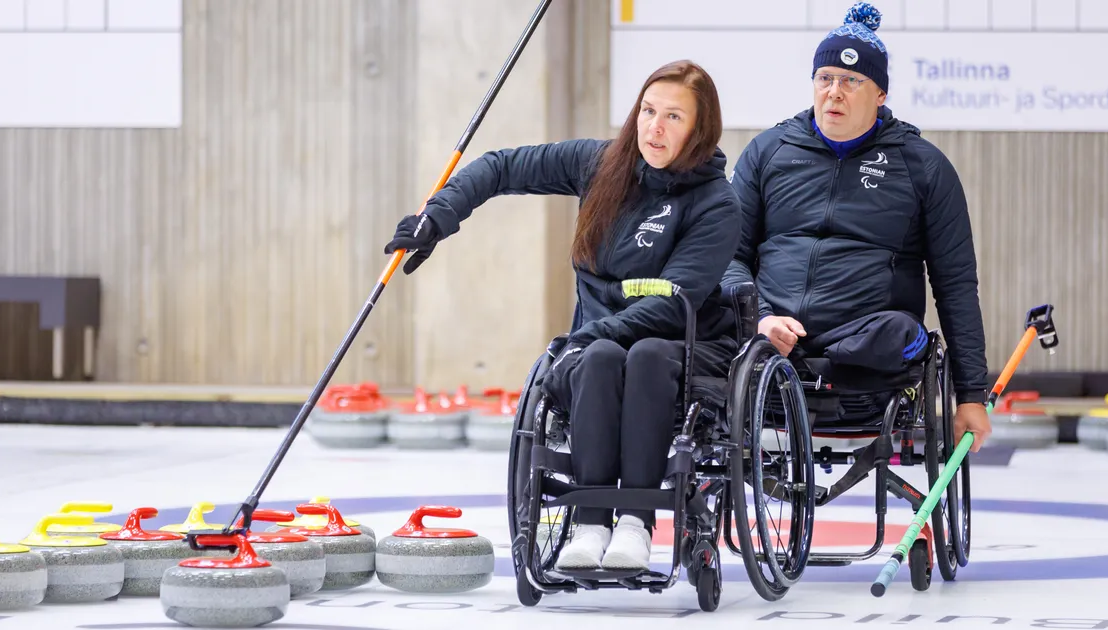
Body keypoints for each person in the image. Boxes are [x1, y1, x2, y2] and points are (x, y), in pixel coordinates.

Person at [383, 60, 742, 571]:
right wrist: (438, 216)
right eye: (648, 111)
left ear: (701, 129)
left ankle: (636, 526)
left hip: (676, 343)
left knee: (640, 354)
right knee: (598, 358)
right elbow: (502, 167)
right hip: (595, 347)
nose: (655, 128)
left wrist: (588, 334)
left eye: (674, 118)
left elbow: (670, 303)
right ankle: (592, 523)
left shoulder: (716, 204)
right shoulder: (600, 164)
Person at [721, 2, 992, 451]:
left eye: (851, 81)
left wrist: (971, 395)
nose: (835, 92)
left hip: (868, 347)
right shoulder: (769, 152)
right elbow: (726, 256)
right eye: (825, 79)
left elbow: (956, 283)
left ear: (880, 94)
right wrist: (760, 318)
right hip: (773, 340)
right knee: (714, 309)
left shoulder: (922, 166)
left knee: (901, 333)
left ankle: (834, 361)